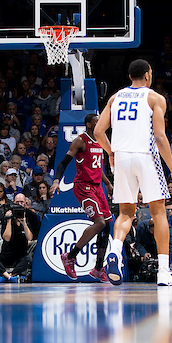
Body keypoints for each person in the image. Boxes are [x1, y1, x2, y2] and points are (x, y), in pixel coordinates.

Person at [94, 59, 172, 286]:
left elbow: (98, 132)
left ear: (129, 76)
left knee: (126, 212)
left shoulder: (115, 98)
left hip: (122, 158)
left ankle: (115, 250)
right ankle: (163, 271)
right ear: (147, 75)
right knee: (159, 213)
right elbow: (160, 136)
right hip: (146, 156)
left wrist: (111, 152)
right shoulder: (155, 98)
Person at [52, 113, 112, 281]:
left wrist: (107, 183)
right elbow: (63, 162)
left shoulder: (100, 140)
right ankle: (70, 256)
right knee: (100, 223)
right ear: (89, 124)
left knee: (106, 226)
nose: (100, 123)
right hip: (83, 186)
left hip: (98, 187)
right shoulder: (80, 140)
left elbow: (97, 168)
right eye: (97, 121)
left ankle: (98, 268)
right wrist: (56, 181)